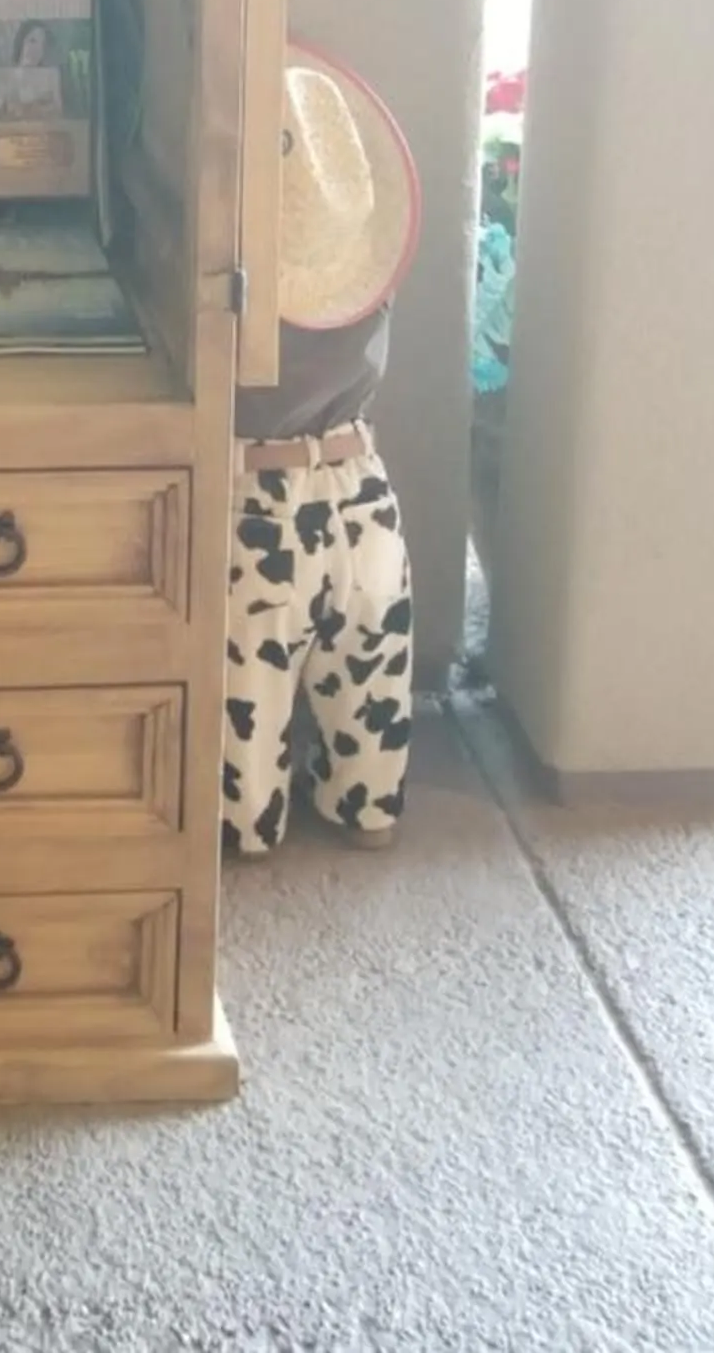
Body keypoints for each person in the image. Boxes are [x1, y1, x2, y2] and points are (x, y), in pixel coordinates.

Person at [222, 48, 419, 858]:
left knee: (246, 703)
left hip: (257, 507)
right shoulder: (368, 283)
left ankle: (252, 824)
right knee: (370, 686)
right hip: (363, 492)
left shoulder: (231, 295)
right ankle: (363, 809)